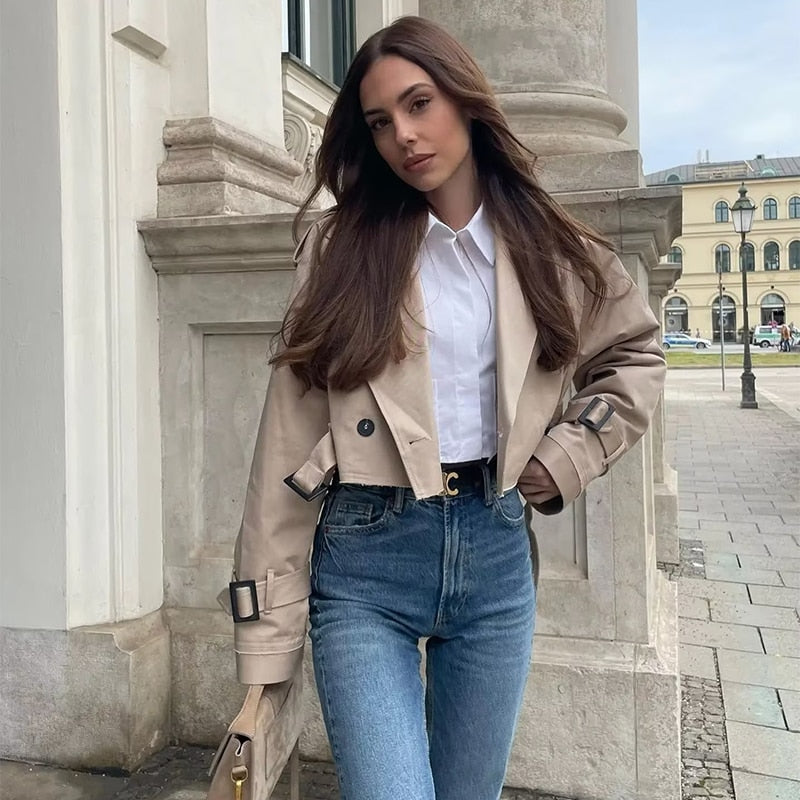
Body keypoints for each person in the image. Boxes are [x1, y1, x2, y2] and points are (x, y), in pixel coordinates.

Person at [226, 16, 666, 800]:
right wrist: (265, 647)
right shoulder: (340, 251)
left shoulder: (548, 245)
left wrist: (563, 457)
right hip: (366, 561)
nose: (405, 134)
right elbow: (284, 449)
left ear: (464, 100)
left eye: (420, 102)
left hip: (495, 557)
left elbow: (633, 356)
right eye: (380, 121)